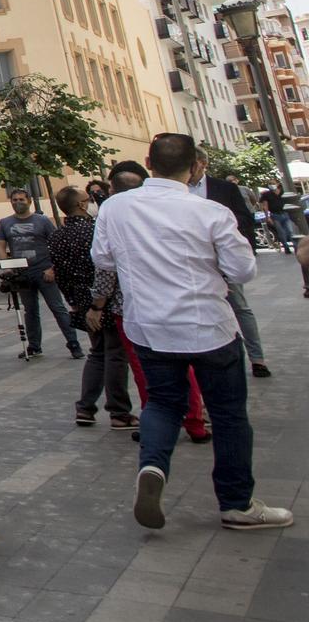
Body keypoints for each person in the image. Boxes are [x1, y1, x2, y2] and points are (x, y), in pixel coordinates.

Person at [91, 134, 292, 532]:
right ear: (195, 167)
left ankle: (152, 467)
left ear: (149, 162)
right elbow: (243, 271)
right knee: (229, 414)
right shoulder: (209, 212)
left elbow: (103, 259)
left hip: (148, 327)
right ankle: (236, 503)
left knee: (162, 404)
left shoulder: (115, 208)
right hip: (208, 328)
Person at [92, 162, 209, 445]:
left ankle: (155, 426)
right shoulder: (175, 210)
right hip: (176, 302)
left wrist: (97, 305)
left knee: (146, 370)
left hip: (134, 308)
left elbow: (105, 267)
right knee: (185, 366)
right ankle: (195, 423)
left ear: (113, 190)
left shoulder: (113, 217)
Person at [49, 186, 134, 429]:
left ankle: (85, 408)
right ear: (83, 205)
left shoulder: (58, 236)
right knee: (116, 354)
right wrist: (98, 303)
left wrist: (74, 302)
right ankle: (118, 411)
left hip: (81, 300)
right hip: (104, 301)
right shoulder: (97, 230)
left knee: (98, 352)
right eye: (89, 200)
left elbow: (61, 274)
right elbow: (106, 269)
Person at [191, 152, 271, 378]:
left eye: (193, 163)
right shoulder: (177, 190)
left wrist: (236, 249)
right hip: (195, 262)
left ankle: (257, 358)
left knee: (240, 307)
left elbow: (244, 219)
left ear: (203, 164)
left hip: (223, 259)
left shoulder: (223, 188)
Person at [0, 188, 79, 358]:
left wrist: (52, 268)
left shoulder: (42, 221)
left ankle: (74, 344)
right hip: (22, 274)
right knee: (30, 311)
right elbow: (0, 245)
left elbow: (57, 245)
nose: (18, 202)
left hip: (43, 271)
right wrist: (7, 267)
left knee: (58, 308)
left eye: (21, 199)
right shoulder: (4, 223)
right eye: (14, 199)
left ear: (29, 201)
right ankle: (34, 346)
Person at [258, 183, 296, 250]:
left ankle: (295, 246)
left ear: (277, 184)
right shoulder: (266, 194)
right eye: (270, 184)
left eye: (273, 183)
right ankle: (286, 247)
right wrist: (268, 217)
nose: (271, 185)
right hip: (275, 215)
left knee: (290, 231)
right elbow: (265, 206)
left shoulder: (282, 192)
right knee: (281, 232)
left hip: (285, 213)